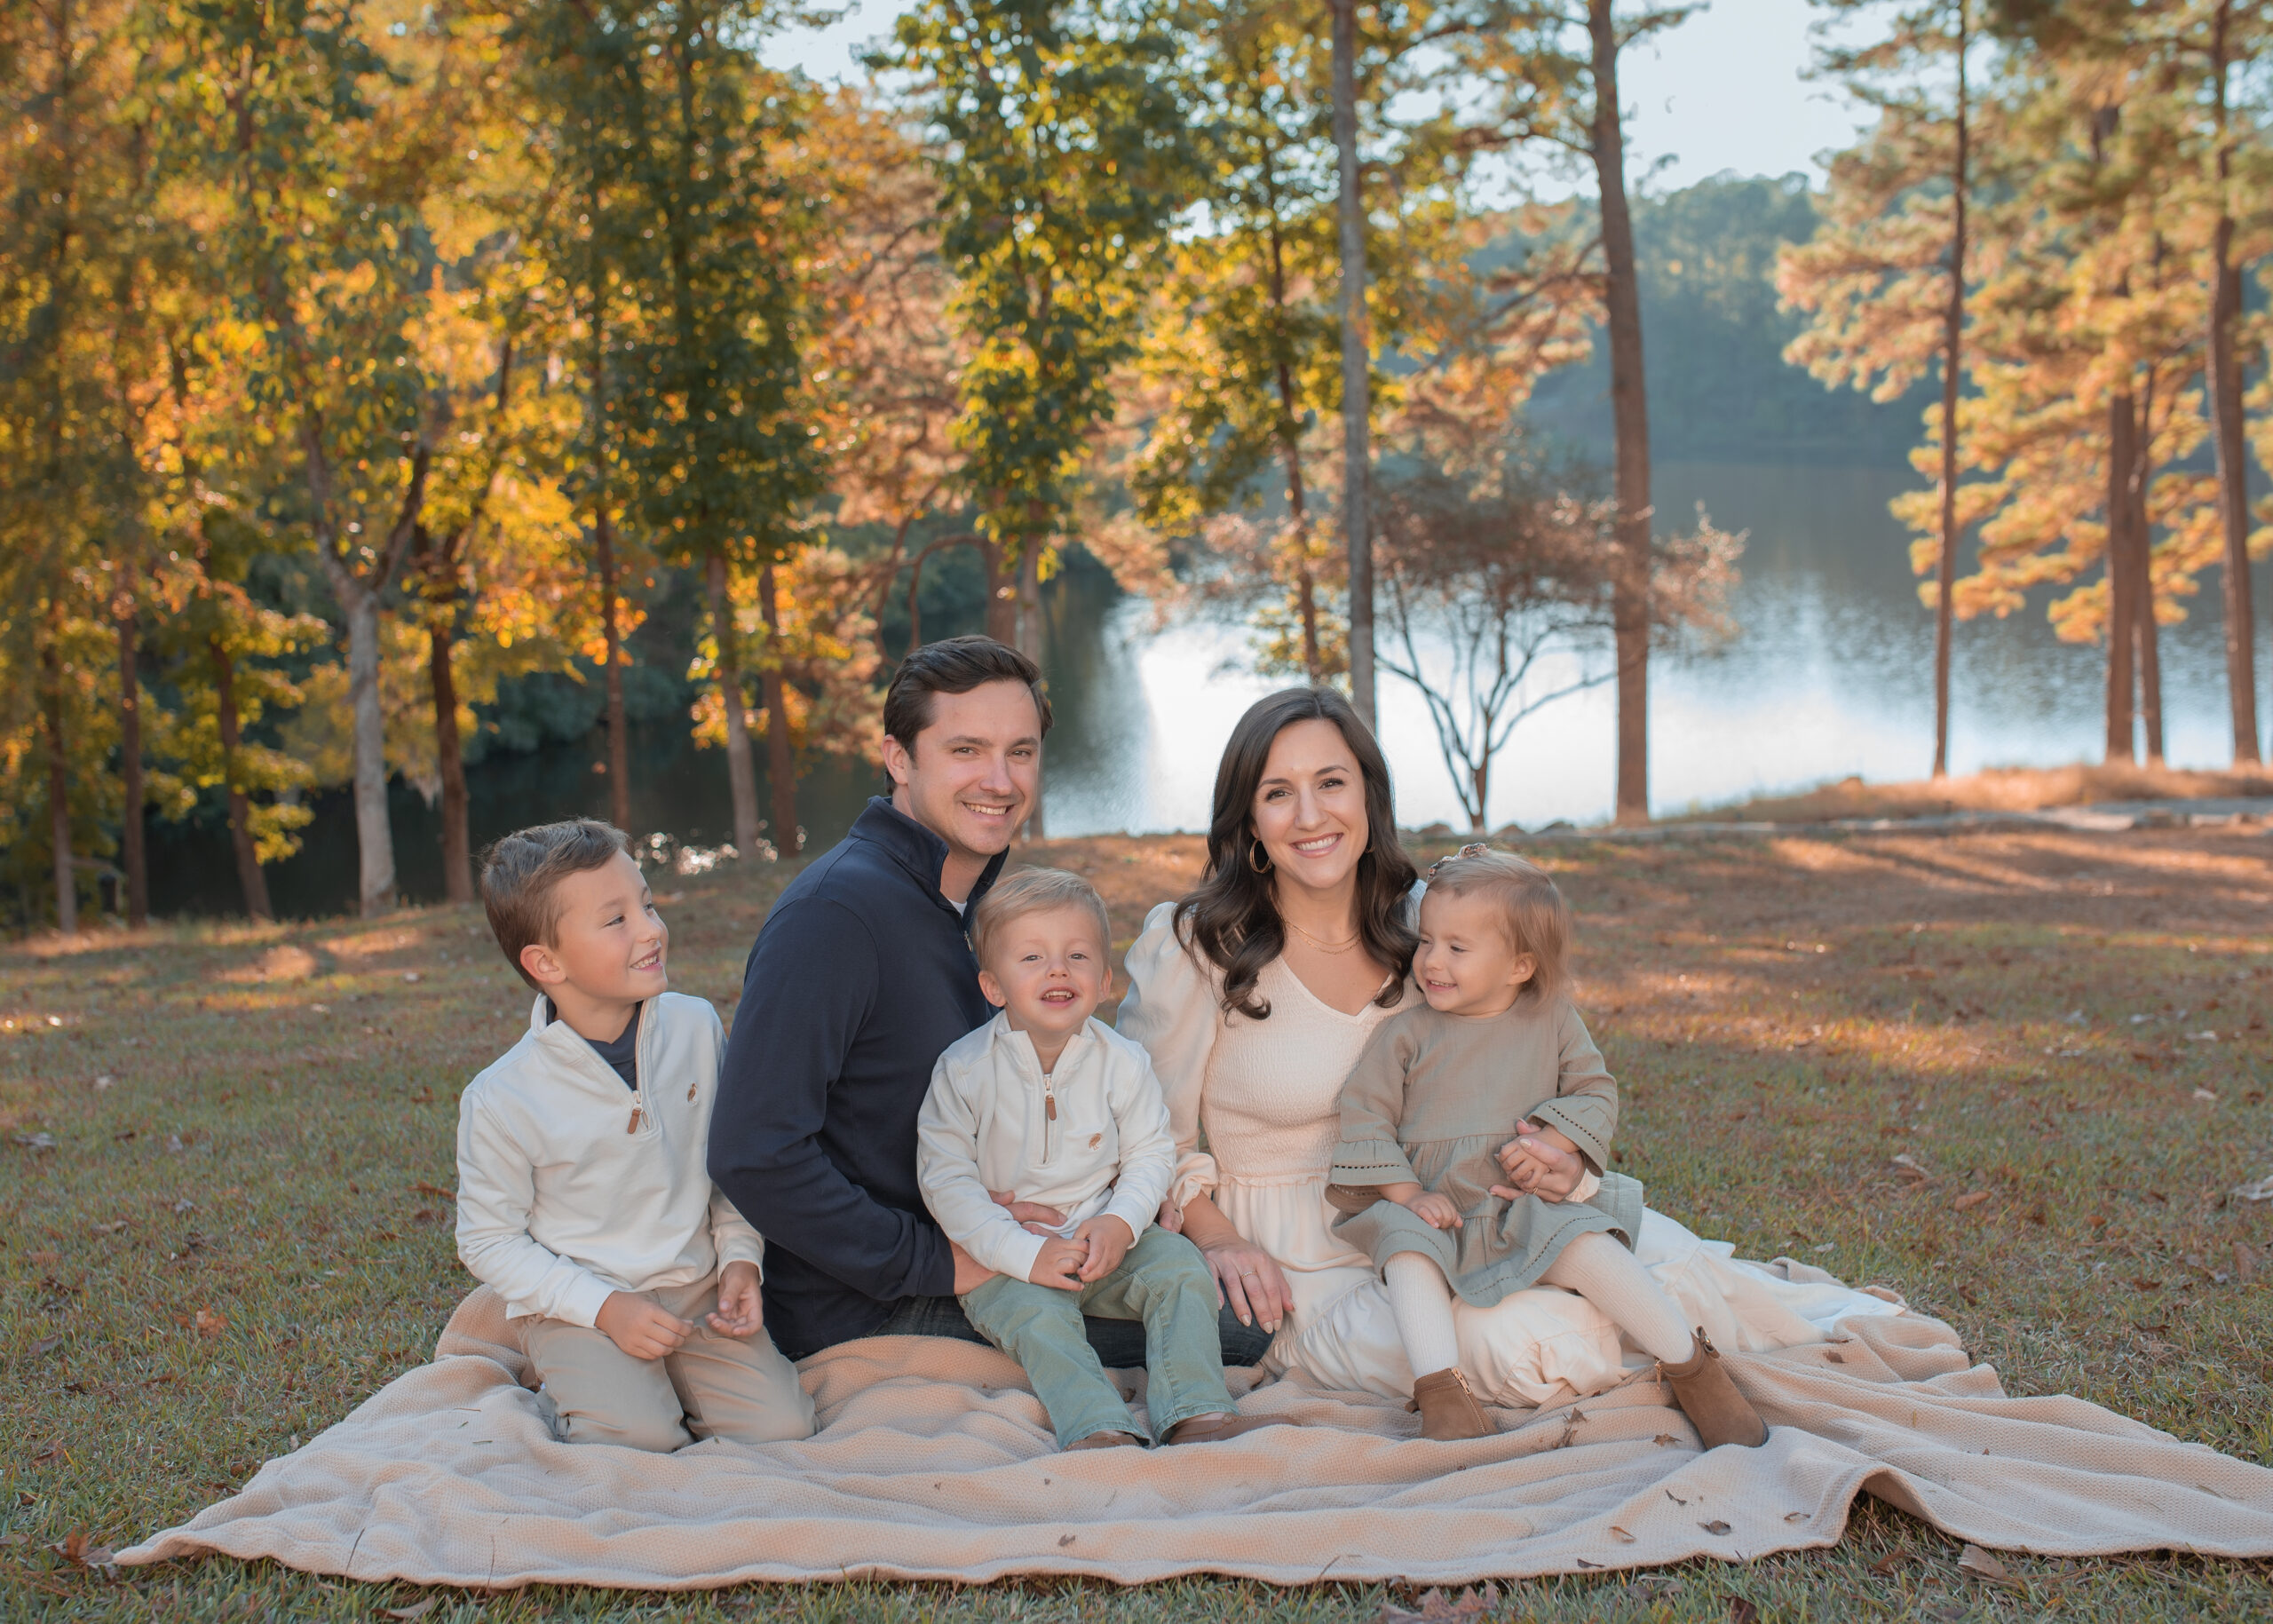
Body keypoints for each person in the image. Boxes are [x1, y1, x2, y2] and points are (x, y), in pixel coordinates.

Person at [1117, 686, 1905, 1419]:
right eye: (1277, 791)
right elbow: (1145, 1128)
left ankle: (1676, 1338)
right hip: (1309, 1254)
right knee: (1525, 1350)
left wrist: (1563, 1153)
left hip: (1473, 1204)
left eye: (1331, 782)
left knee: (1676, 1272)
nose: (1310, 813)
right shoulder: (1194, 947)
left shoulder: (1434, 920)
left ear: (1367, 795)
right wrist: (1218, 1238)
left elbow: (1550, 1055)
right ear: (1248, 819)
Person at [709, 635, 1271, 1369]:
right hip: (871, 1297)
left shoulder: (970, 906)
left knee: (1223, 1290)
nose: (1000, 780)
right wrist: (943, 1261)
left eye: (1021, 751)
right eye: (967, 750)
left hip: (990, 1234)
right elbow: (753, 1151)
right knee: (1239, 1324)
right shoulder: (836, 916)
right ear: (900, 758)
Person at [1328, 848, 1766, 1448]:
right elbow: (1365, 1114)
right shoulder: (1406, 1033)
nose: (1431, 961)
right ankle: (1443, 1398)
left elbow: (1594, 1089)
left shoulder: (1551, 1019)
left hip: (1521, 1202)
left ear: (1519, 965)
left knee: (1587, 1242)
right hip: (1443, 1208)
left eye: (1458, 948)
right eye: (1426, 940)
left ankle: (1694, 1369)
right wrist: (1410, 1195)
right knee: (1406, 1253)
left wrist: (1555, 1140)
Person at [455, 820, 814, 1452]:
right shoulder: (502, 1097)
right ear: (546, 961)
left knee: (785, 1429)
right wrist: (603, 1308)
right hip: (583, 1302)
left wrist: (738, 1259)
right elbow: (487, 1239)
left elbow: (733, 1162)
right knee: (640, 1442)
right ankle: (572, 1370)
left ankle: (652, 1379)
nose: (651, 928)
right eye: (616, 919)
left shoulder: (697, 1027)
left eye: (645, 903)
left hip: (697, 1285)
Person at [917, 868, 1283, 1449]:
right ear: (992, 985)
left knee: (1181, 1272)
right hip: (1007, 1250)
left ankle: (1192, 1405)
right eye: (1032, 956)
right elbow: (947, 1181)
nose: (1057, 969)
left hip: (1108, 1234)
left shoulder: (1122, 1061)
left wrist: (1119, 1221)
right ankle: (1096, 1423)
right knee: (1039, 1319)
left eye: (1077, 955)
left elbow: (1149, 1154)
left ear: (1106, 979)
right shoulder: (962, 1071)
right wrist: (1026, 1254)